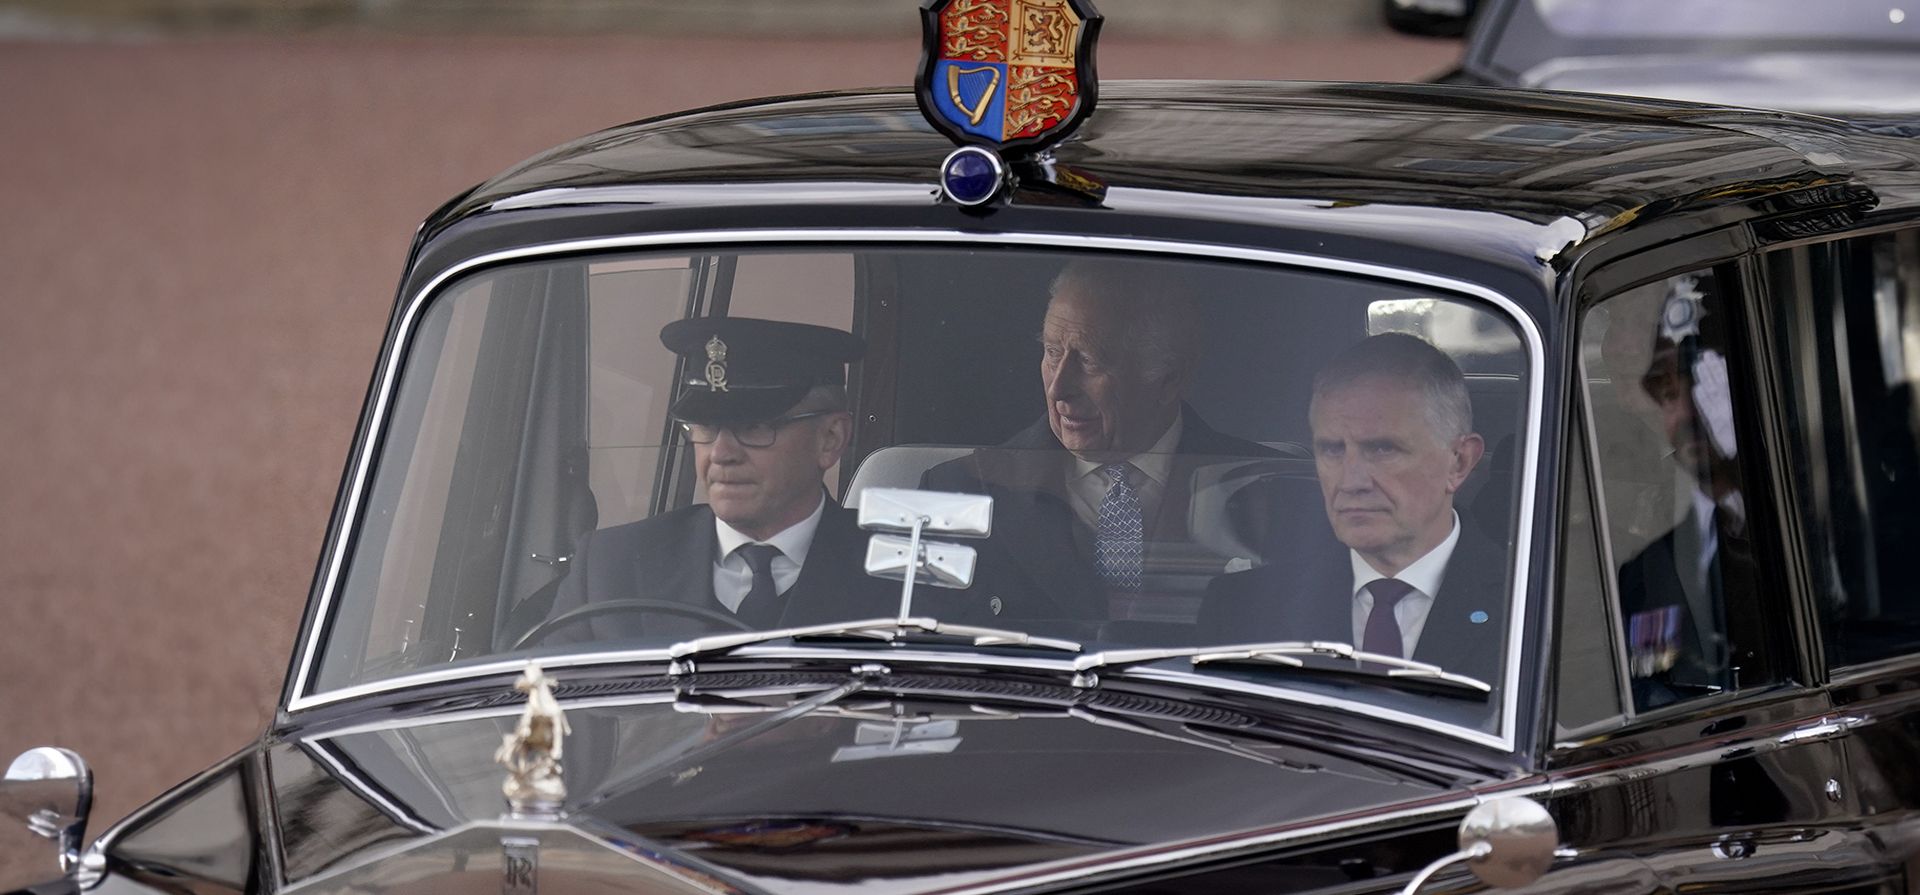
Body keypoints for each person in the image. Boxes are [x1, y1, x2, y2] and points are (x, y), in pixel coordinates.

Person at [922, 259, 1275, 627]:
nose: (1059, 389)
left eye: (1089, 361)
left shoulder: (1270, 492)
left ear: (1169, 379)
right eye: (1052, 352)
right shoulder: (959, 493)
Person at [540, 317, 893, 642]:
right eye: (706, 428)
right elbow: (544, 705)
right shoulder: (611, 567)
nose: (721, 453)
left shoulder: (904, 572)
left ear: (830, 438)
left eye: (755, 427)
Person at [1199, 333, 1506, 685]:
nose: (1351, 481)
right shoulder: (1239, 612)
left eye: (1381, 450)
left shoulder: (1537, 610)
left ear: (1459, 462)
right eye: (1332, 450)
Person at [1614, 276, 1763, 708]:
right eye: (1668, 391)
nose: (1687, 410)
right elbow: (1647, 676)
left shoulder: (1824, 520)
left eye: (1704, 381)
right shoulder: (1649, 558)